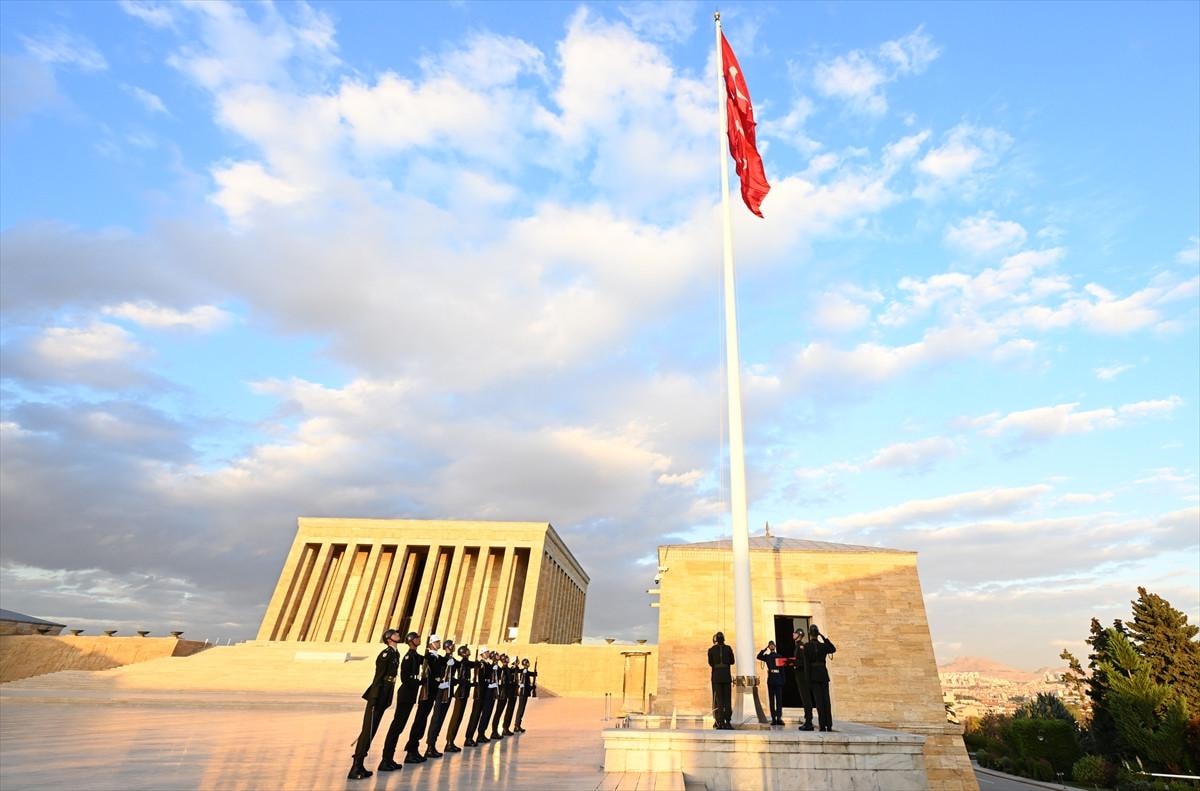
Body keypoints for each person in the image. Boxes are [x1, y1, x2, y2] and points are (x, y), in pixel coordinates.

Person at [348, 628, 401, 780]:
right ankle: (355, 767)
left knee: (372, 730)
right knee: (367, 731)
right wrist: (374, 698)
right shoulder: (386, 654)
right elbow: (378, 677)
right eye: (395, 633)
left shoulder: (395, 654)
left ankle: (360, 766)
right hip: (377, 696)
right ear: (389, 639)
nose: (398, 634)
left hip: (384, 694)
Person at [378, 631, 423, 771]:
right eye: (417, 638)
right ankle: (385, 759)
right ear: (411, 640)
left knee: (399, 727)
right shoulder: (408, 657)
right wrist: (419, 682)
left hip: (410, 695)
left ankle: (389, 759)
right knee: (396, 727)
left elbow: (425, 660)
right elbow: (405, 678)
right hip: (405, 695)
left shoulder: (415, 655)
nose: (419, 640)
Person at [402, 634, 440, 763]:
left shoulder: (429, 656)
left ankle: (414, 749)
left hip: (430, 693)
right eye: (437, 642)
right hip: (425, 693)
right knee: (419, 721)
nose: (439, 644)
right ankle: (411, 750)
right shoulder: (426, 656)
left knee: (422, 721)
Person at [801, 623, 837, 732]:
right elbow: (833, 649)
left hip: (814, 676)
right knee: (826, 700)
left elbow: (806, 664)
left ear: (809, 634)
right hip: (823, 675)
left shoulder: (807, 646)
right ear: (817, 634)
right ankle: (829, 725)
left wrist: (807, 679)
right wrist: (824, 638)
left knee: (819, 701)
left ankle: (822, 725)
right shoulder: (823, 646)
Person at [423, 637, 454, 758]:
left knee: (440, 718)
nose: (439, 643)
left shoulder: (440, 657)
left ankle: (433, 745)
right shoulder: (431, 657)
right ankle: (430, 746)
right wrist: (440, 682)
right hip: (439, 691)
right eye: (437, 642)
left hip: (444, 690)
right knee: (437, 718)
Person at [443, 644, 473, 752]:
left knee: (459, 718)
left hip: (464, 692)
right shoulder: (463, 662)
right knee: (456, 718)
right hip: (461, 692)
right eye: (467, 650)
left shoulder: (464, 662)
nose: (469, 651)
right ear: (463, 653)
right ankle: (449, 742)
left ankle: (451, 741)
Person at [707, 631, 734, 729]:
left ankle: (720, 721)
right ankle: (728, 721)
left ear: (716, 640)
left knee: (719, 700)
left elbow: (711, 663)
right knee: (727, 699)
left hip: (716, 677)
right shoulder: (728, 648)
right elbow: (732, 661)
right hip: (726, 676)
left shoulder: (711, 650)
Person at [756, 640, 786, 726]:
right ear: (769, 647)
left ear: (775, 646)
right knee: (771, 700)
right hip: (771, 680)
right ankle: (773, 718)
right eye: (770, 645)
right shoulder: (767, 656)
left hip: (778, 679)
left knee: (779, 700)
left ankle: (779, 718)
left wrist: (783, 680)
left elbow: (782, 670)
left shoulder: (779, 656)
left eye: (773, 645)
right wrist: (765, 649)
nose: (772, 646)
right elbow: (758, 656)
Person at [475, 650, 499, 743]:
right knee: (484, 714)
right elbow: (481, 679)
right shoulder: (481, 664)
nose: (488, 653)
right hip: (485, 692)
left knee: (488, 713)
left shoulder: (488, 664)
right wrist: (488, 685)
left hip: (490, 691)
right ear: (482, 654)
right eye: (486, 652)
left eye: (488, 652)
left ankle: (482, 733)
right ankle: (480, 734)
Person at [489, 653, 512, 739]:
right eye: (506, 658)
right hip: (502, 693)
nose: (508, 659)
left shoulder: (506, 668)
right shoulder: (503, 669)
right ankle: (494, 731)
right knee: (498, 713)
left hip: (505, 693)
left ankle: (498, 730)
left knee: (500, 712)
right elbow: (501, 682)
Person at [513, 657, 537, 732]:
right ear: (525, 664)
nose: (528, 664)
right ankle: (516, 726)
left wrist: (534, 673)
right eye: (527, 663)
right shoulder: (524, 672)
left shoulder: (525, 672)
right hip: (523, 693)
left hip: (524, 693)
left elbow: (532, 674)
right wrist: (531, 687)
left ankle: (518, 725)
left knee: (522, 709)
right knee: (521, 709)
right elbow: (524, 684)